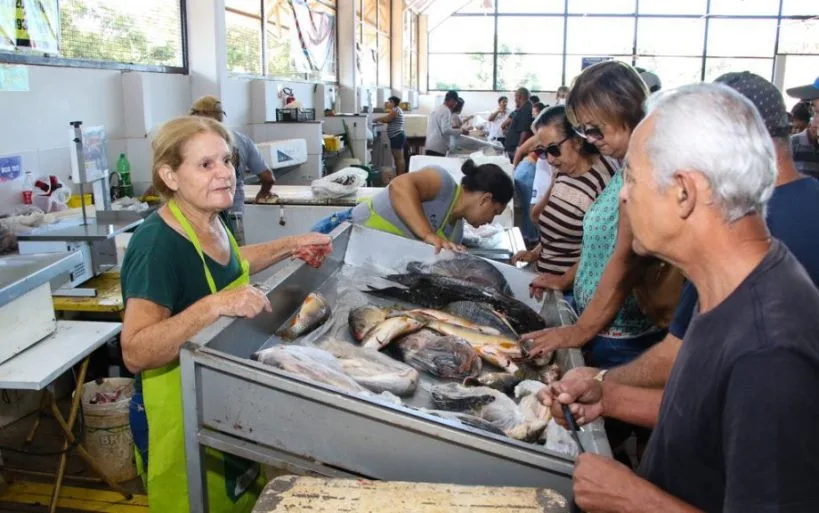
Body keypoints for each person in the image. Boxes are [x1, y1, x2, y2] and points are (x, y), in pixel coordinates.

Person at [541, 82, 819, 513]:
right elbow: (714, 422)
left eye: (632, 176)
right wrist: (610, 397)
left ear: (684, 192)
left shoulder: (769, 350)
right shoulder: (730, 286)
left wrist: (633, 499)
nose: (624, 194)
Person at [121, 116, 332, 512]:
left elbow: (232, 263)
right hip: (176, 410)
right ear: (170, 175)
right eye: (205, 165)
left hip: (219, 398)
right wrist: (216, 304)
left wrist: (291, 243)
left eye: (227, 161)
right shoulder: (157, 246)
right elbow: (135, 350)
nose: (225, 175)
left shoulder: (210, 223)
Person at [522, 61, 664, 370]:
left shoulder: (645, 172)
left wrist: (580, 330)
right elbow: (598, 250)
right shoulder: (628, 164)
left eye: (593, 128)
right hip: (601, 329)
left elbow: (626, 260)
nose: (588, 138)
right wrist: (565, 279)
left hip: (621, 337)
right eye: (583, 130)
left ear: (620, 109)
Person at [311, 160, 513, 253]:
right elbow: (399, 185)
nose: (490, 221)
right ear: (485, 199)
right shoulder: (442, 183)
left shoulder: (455, 233)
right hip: (345, 236)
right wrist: (427, 234)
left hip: (369, 253)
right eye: (494, 212)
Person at [511, 106, 616, 286]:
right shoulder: (562, 171)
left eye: (554, 149)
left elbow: (601, 251)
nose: (550, 159)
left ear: (576, 140)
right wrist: (535, 253)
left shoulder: (604, 182)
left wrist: (563, 280)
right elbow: (558, 230)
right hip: (546, 280)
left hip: (571, 289)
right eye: (543, 152)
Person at [190, 96, 276, 239]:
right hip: (233, 214)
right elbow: (268, 178)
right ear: (220, 117)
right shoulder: (241, 140)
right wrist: (263, 193)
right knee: (236, 257)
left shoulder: (189, 143)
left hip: (200, 216)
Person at [425, 90, 467, 156]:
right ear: (452, 100)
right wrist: (461, 131)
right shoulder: (446, 111)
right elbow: (445, 130)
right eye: (455, 102)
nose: (455, 105)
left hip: (430, 145)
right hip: (438, 148)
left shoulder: (437, 108)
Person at [375, 96, 406, 174]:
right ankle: (398, 175)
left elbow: (387, 119)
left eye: (389, 102)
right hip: (396, 136)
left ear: (393, 102)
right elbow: (388, 119)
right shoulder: (396, 110)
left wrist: (375, 119)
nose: (388, 104)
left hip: (397, 136)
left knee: (399, 158)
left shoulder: (395, 110)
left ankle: (400, 176)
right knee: (397, 158)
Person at [504, 87, 535, 162]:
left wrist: (519, 148)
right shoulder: (522, 108)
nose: (515, 99)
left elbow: (525, 131)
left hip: (516, 148)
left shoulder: (526, 109)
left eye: (515, 97)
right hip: (512, 147)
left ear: (519, 96)